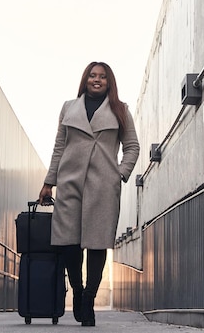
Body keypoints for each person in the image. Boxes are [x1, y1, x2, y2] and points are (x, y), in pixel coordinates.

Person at [38, 61, 140, 327]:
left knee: (96, 243)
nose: (97, 80)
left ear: (109, 82)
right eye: (93, 76)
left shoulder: (121, 110)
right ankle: (78, 288)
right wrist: (49, 181)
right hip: (70, 182)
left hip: (103, 185)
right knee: (69, 243)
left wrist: (119, 173)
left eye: (103, 77)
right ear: (85, 80)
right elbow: (59, 145)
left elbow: (132, 147)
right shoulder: (69, 108)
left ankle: (89, 301)